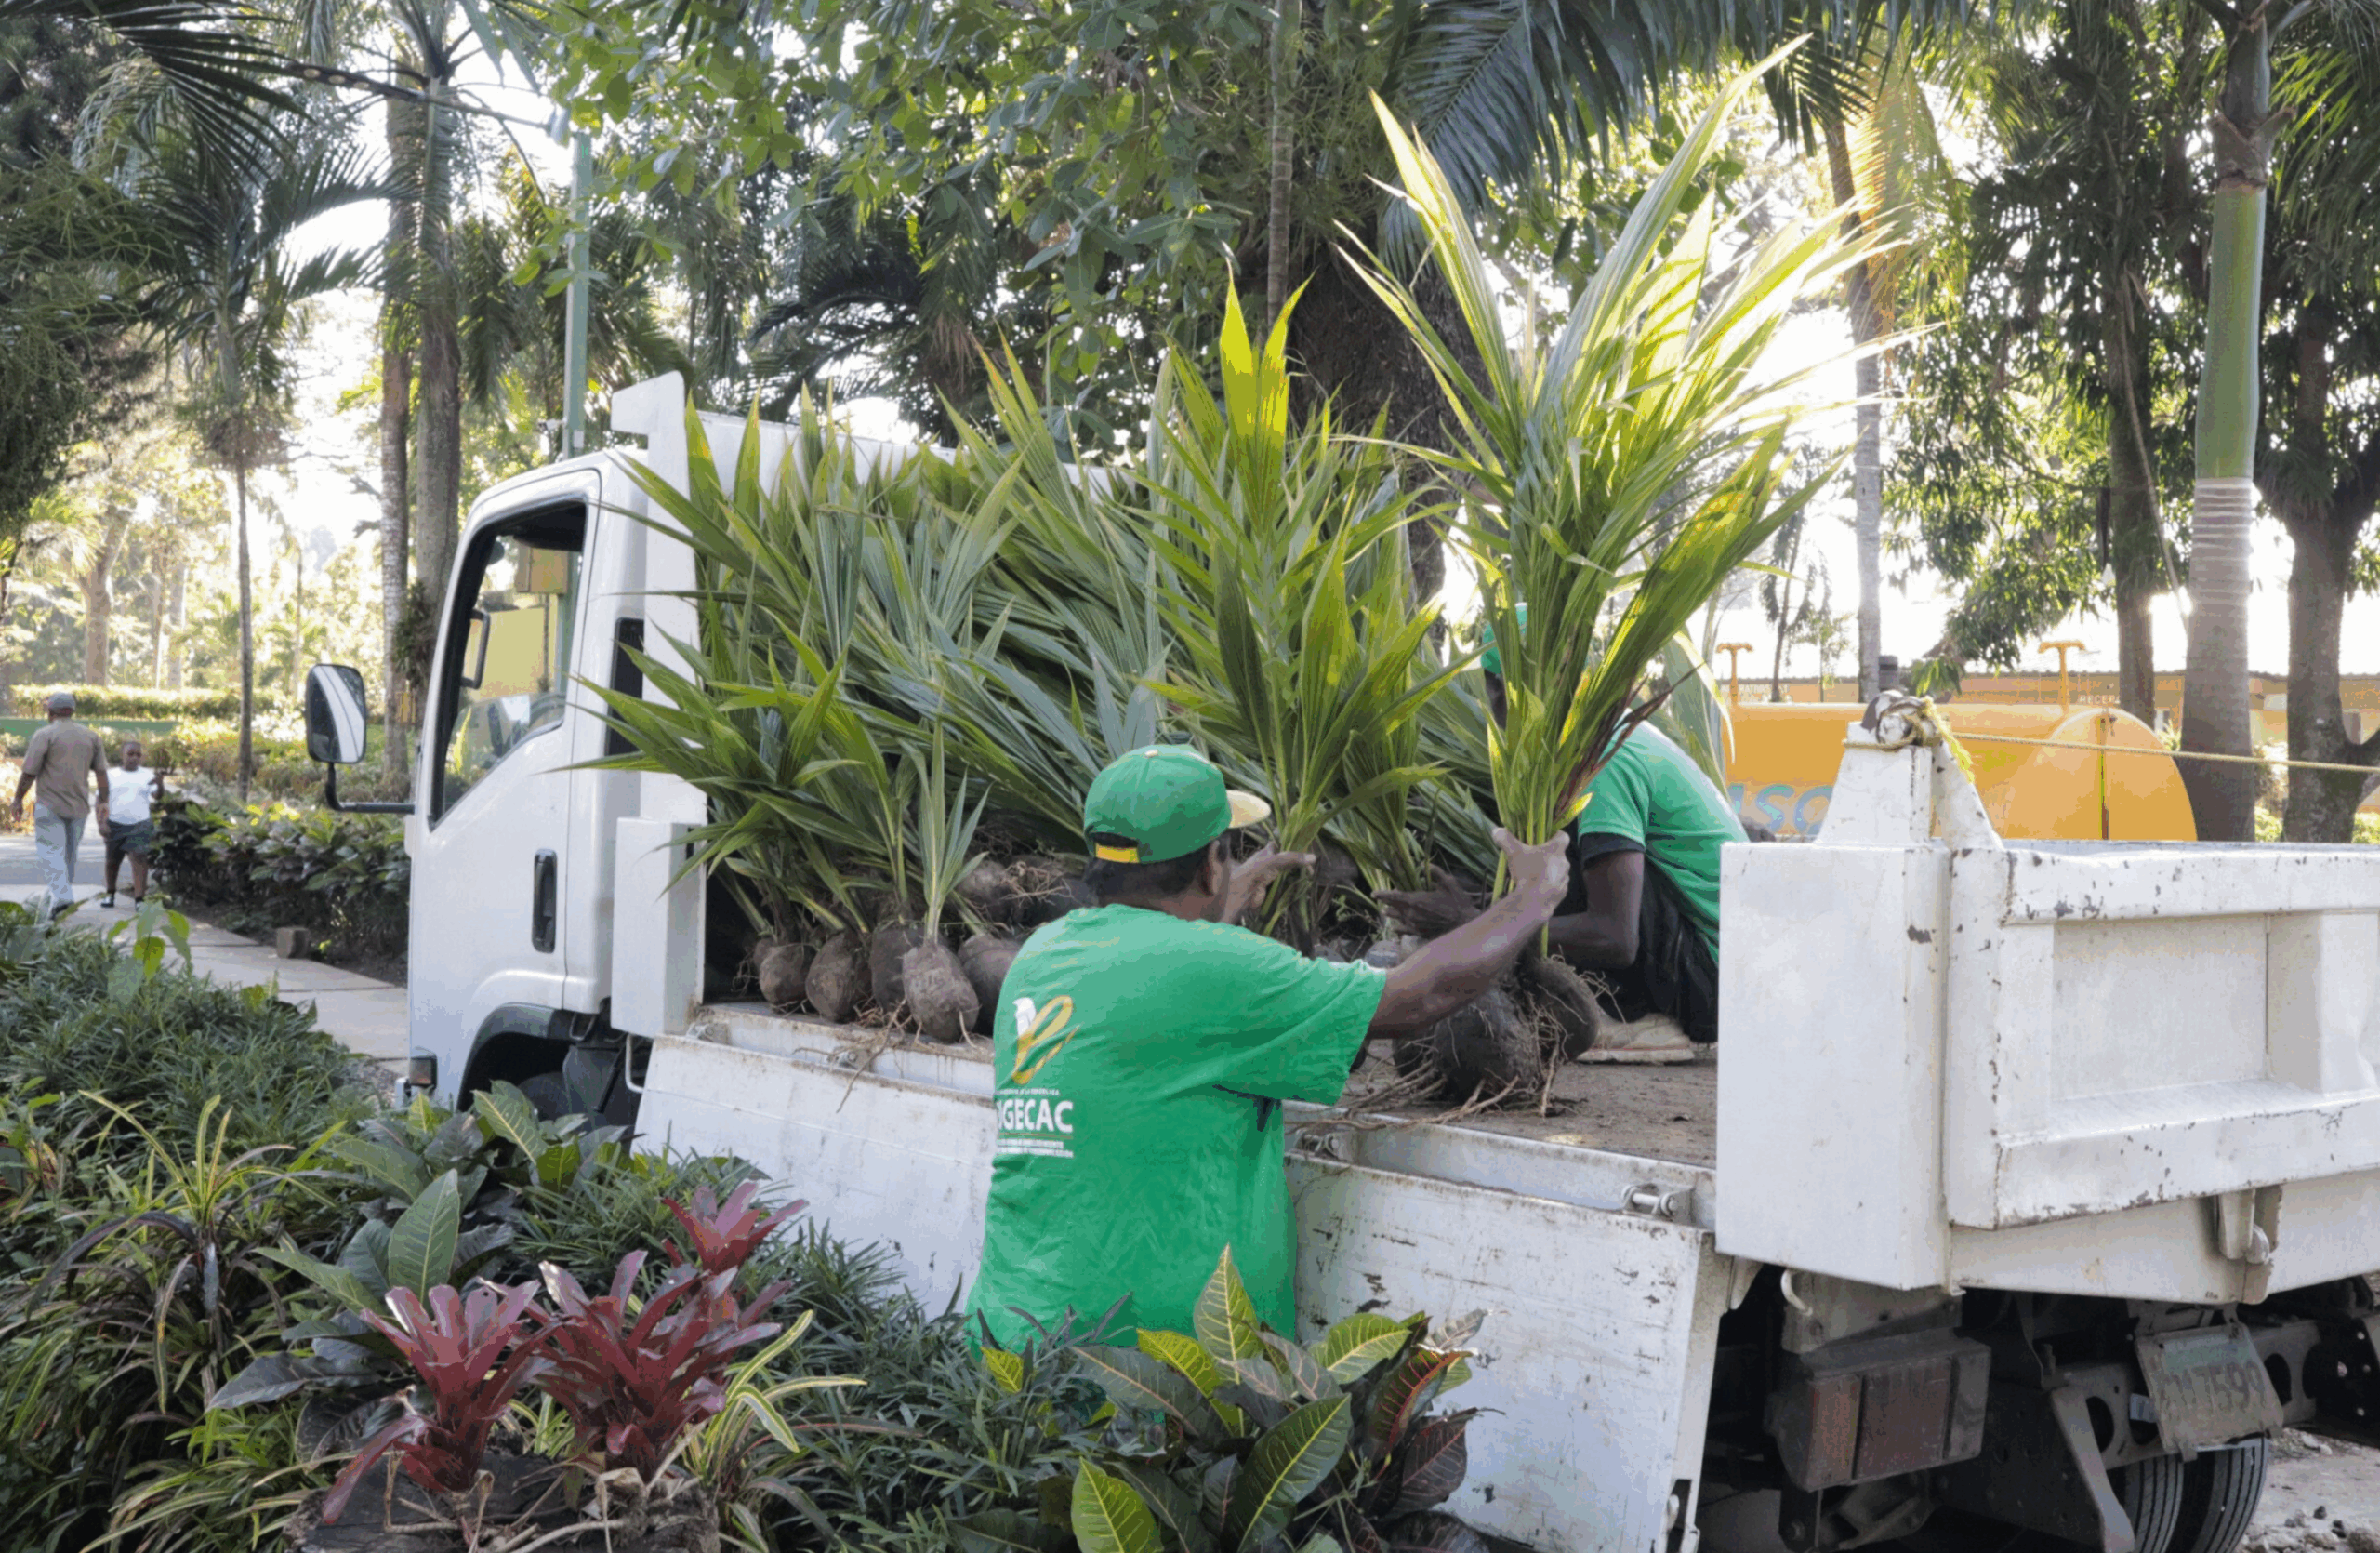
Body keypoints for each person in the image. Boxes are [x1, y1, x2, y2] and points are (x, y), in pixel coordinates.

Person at [970, 744, 1571, 1349]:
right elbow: (1419, 996)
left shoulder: (1040, 957)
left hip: (1015, 1343)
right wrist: (1532, 897)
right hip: (1154, 1381)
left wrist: (1214, 909)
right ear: (1211, 863)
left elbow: (1155, 989)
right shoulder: (1217, 970)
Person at [1380, 615, 1746, 1061]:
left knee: (1571, 858)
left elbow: (1615, 935)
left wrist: (1474, 924)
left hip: (1712, 982)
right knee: (1551, 856)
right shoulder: (1604, 736)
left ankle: (1645, 1018)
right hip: (1724, 972)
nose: (1494, 706)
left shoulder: (1605, 756)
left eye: (1497, 688)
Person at [12, 691, 111, 917]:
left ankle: (63, 898)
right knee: (69, 855)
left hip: (50, 804)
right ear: (72, 711)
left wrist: (18, 798)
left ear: (51, 711)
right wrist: (103, 801)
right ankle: (61, 900)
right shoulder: (91, 737)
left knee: (51, 852)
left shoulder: (45, 734)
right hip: (79, 807)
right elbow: (102, 773)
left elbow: (29, 772)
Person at [101, 739, 163, 909]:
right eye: (130, 754)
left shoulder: (147, 776)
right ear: (122, 755)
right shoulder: (111, 775)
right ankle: (110, 894)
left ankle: (139, 900)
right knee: (112, 862)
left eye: (138, 755)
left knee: (140, 860)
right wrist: (101, 822)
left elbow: (157, 797)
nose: (134, 758)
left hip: (140, 824)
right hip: (115, 824)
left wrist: (160, 784)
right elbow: (101, 799)